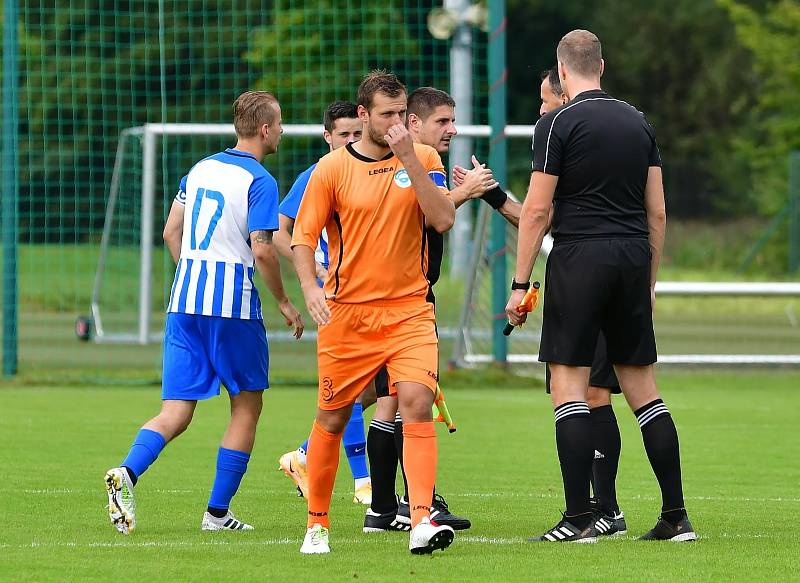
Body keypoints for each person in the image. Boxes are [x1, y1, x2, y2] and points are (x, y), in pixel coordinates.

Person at [507, 30, 696, 543]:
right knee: (644, 392)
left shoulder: (557, 122)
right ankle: (676, 517)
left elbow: (539, 211)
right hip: (633, 256)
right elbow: (656, 210)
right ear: (603, 66)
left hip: (580, 256)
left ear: (562, 71)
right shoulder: (639, 120)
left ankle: (579, 518)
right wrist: (649, 279)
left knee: (569, 387)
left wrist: (520, 282)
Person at [104, 91, 304, 534]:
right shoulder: (261, 180)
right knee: (246, 406)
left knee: (175, 411)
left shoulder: (200, 169)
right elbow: (264, 250)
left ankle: (127, 473)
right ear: (267, 129)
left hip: (184, 303)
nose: (283, 132)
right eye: (281, 124)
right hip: (231, 307)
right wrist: (286, 303)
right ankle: (217, 513)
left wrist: (195, 273)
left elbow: (170, 232)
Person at [291, 70, 456, 555]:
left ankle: (421, 519)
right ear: (362, 114)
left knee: (417, 403)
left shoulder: (422, 157)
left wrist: (408, 156)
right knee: (332, 419)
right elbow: (302, 237)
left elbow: (443, 218)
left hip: (409, 312)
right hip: (348, 317)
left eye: (401, 114)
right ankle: (317, 524)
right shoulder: (331, 170)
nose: (395, 122)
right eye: (385, 114)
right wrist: (309, 286)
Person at [458, 67, 627, 535]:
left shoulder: (560, 133)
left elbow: (538, 216)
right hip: (616, 271)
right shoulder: (603, 136)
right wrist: (493, 195)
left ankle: (594, 512)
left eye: (544, 98)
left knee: (578, 392)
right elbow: (538, 218)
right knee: (596, 394)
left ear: (566, 91)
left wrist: (519, 283)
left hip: (584, 276)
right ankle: (605, 512)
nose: (539, 109)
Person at [364, 86, 494, 533]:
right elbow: (432, 215)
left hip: (395, 298)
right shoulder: (415, 159)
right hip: (399, 302)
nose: (452, 130)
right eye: (442, 121)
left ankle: (388, 507)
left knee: (390, 400)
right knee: (396, 403)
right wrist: (468, 193)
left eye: (453, 121)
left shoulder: (409, 162)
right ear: (413, 124)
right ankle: (397, 506)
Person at [274, 101, 375, 506]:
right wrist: (314, 267)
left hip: (374, 295)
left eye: (357, 133)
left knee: (377, 389)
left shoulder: (372, 170)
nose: (351, 140)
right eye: (344, 134)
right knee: (350, 385)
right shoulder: (318, 174)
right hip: (336, 296)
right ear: (328, 137)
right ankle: (364, 482)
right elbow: (279, 232)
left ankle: (302, 454)